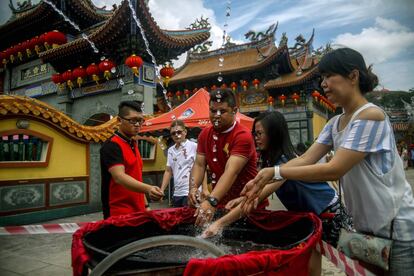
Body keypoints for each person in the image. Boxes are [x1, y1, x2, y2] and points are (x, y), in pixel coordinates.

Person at [241, 48, 414, 275]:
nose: (323, 84)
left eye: (329, 76)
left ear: (353, 76)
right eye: (322, 78)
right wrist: (268, 174)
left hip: (396, 227)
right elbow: (305, 159)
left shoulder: (371, 115)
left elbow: (335, 169)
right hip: (365, 228)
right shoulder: (335, 123)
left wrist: (275, 173)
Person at [202, 111, 339, 276]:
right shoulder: (273, 162)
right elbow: (258, 188)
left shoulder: (284, 164)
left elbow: (258, 196)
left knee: (350, 261)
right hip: (312, 215)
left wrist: (219, 224)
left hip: (329, 213)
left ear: (274, 134)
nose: (256, 138)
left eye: (259, 134)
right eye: (254, 134)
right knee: (311, 259)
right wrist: (241, 198)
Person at [189, 88, 258, 227]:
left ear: (234, 110)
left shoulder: (243, 136)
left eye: (222, 111)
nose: (216, 115)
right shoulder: (204, 134)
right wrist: (193, 188)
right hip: (220, 204)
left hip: (245, 204)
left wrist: (212, 200)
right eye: (213, 111)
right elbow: (199, 165)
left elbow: (231, 171)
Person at [100, 101, 164, 219]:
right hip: (119, 211)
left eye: (140, 121)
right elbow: (119, 177)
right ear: (119, 120)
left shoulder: (133, 144)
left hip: (138, 209)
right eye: (133, 120)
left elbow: (136, 177)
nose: (137, 125)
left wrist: (146, 205)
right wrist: (149, 188)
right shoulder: (112, 145)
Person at [160, 120, 197, 207]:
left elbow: (201, 168)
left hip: (192, 191)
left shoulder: (194, 146)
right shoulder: (170, 150)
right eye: (173, 133)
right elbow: (168, 171)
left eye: (179, 132)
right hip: (177, 193)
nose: (176, 135)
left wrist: (205, 189)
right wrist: (162, 189)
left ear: (185, 132)